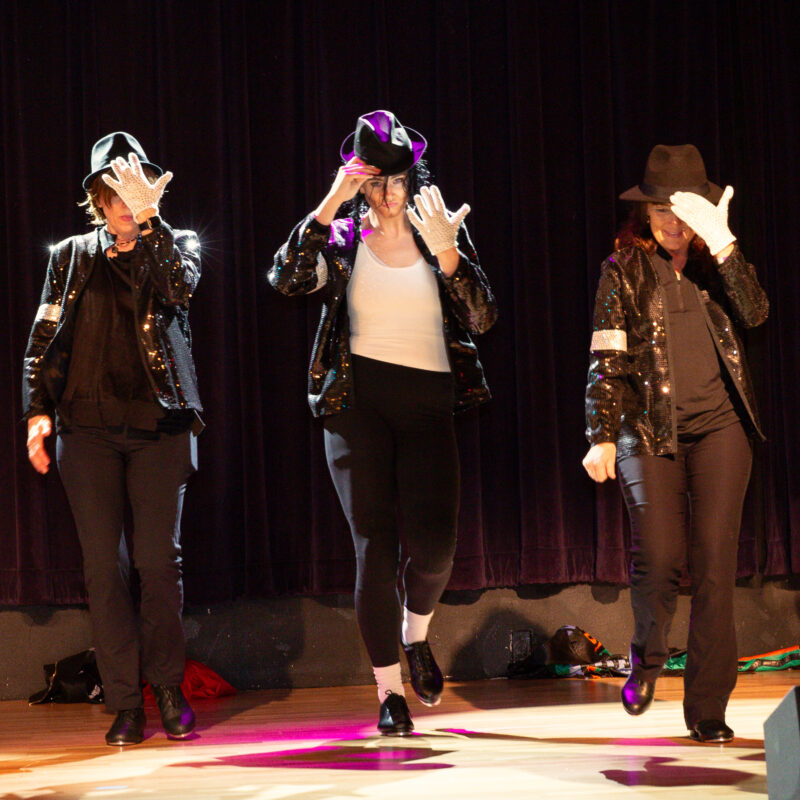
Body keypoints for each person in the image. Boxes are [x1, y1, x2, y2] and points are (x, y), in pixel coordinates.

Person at [270, 110, 497, 735]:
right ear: (360, 182)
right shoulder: (339, 238)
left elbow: (482, 317)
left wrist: (450, 255)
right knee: (374, 547)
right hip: (356, 405)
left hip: (428, 403)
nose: (389, 192)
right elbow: (285, 278)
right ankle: (388, 693)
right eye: (375, 180)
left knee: (435, 548)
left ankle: (415, 633)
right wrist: (327, 206)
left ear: (412, 176)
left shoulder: (435, 231)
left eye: (397, 177)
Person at [583, 144, 768, 743]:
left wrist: (727, 246)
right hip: (647, 432)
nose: (670, 220)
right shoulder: (623, 268)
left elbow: (758, 314)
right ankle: (647, 653)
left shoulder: (718, 265)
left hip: (721, 431)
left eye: (682, 208)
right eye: (660, 207)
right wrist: (601, 434)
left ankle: (708, 708)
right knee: (661, 560)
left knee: (715, 568)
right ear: (646, 211)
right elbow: (607, 355)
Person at [23, 132, 203, 746]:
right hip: (88, 429)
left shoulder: (175, 243)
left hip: (160, 428)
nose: (126, 201)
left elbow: (179, 289)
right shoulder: (70, 254)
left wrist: (151, 226)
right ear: (97, 200)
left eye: (136, 190)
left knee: (158, 563)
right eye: (115, 192)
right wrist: (37, 410)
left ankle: (169, 687)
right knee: (105, 568)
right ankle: (126, 702)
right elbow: (46, 331)